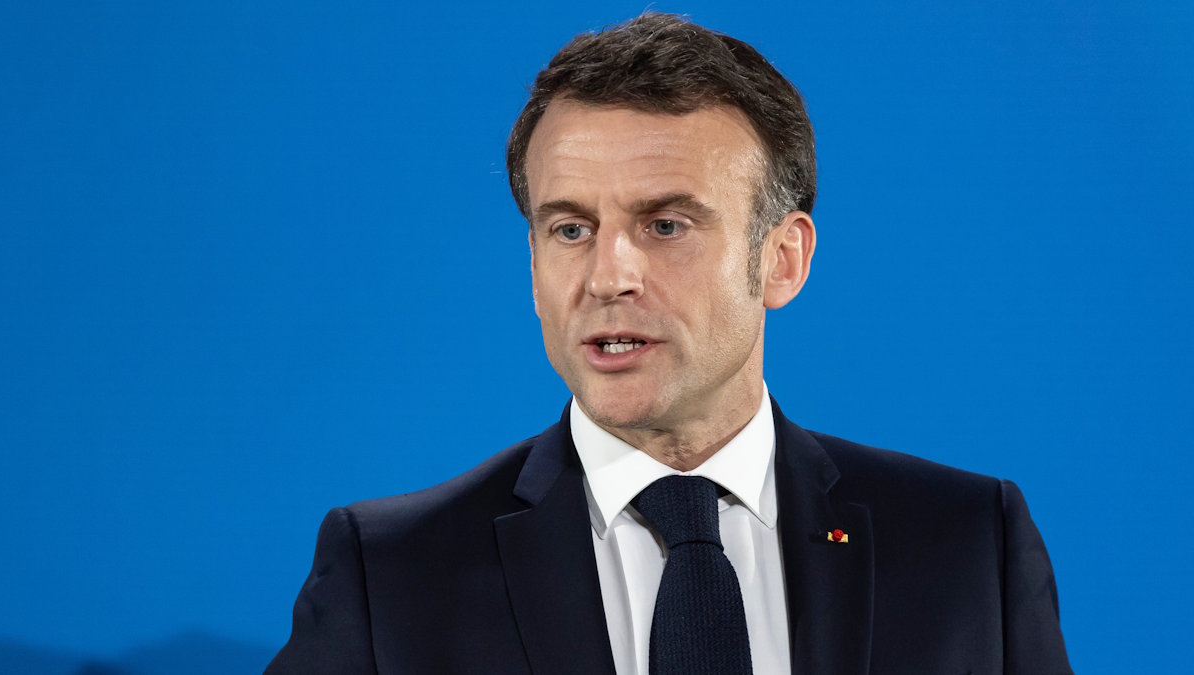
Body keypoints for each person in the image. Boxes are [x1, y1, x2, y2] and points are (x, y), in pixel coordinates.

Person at [268, 13, 1072, 674]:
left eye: (665, 225)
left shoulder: (969, 546)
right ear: (535, 265)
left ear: (781, 259)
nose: (608, 276)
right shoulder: (391, 573)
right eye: (571, 228)